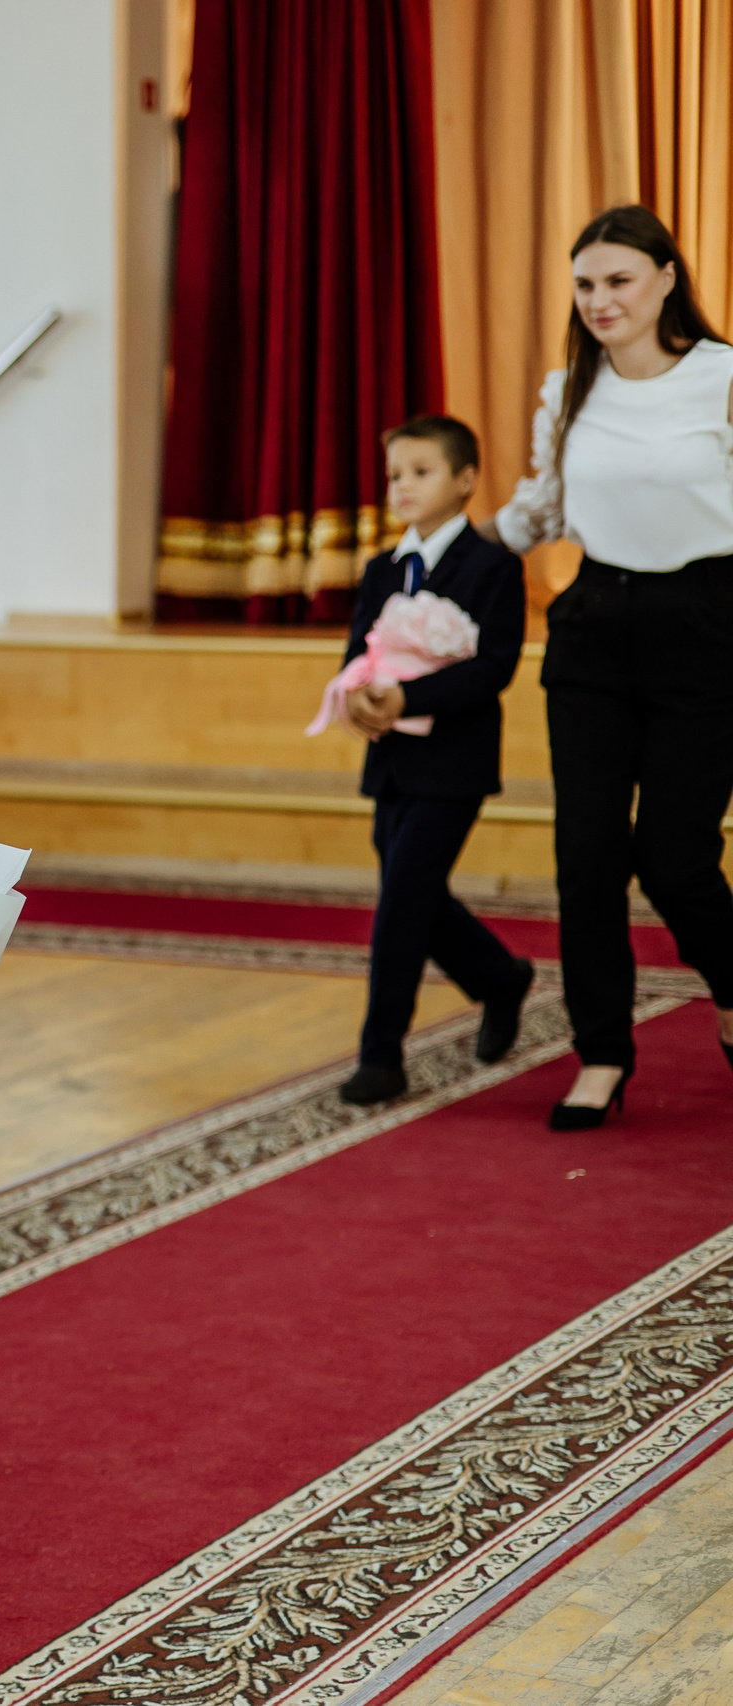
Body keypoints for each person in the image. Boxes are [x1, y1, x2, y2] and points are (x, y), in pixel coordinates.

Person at [475, 205, 733, 1126]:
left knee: (674, 857)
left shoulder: (723, 377)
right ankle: (602, 1054)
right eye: (585, 284)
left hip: (704, 626)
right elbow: (538, 511)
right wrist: (441, 556)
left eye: (619, 280)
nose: (599, 300)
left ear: (667, 276)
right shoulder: (568, 388)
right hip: (591, 628)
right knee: (584, 858)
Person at [333, 417, 534, 1106]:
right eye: (395, 475)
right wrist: (358, 696)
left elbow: (494, 667)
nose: (403, 486)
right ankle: (501, 980)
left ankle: (380, 1056)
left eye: (421, 472)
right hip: (391, 761)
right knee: (414, 893)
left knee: (403, 898)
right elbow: (359, 651)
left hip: (454, 761)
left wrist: (409, 696)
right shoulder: (382, 570)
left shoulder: (491, 566)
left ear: (465, 480)